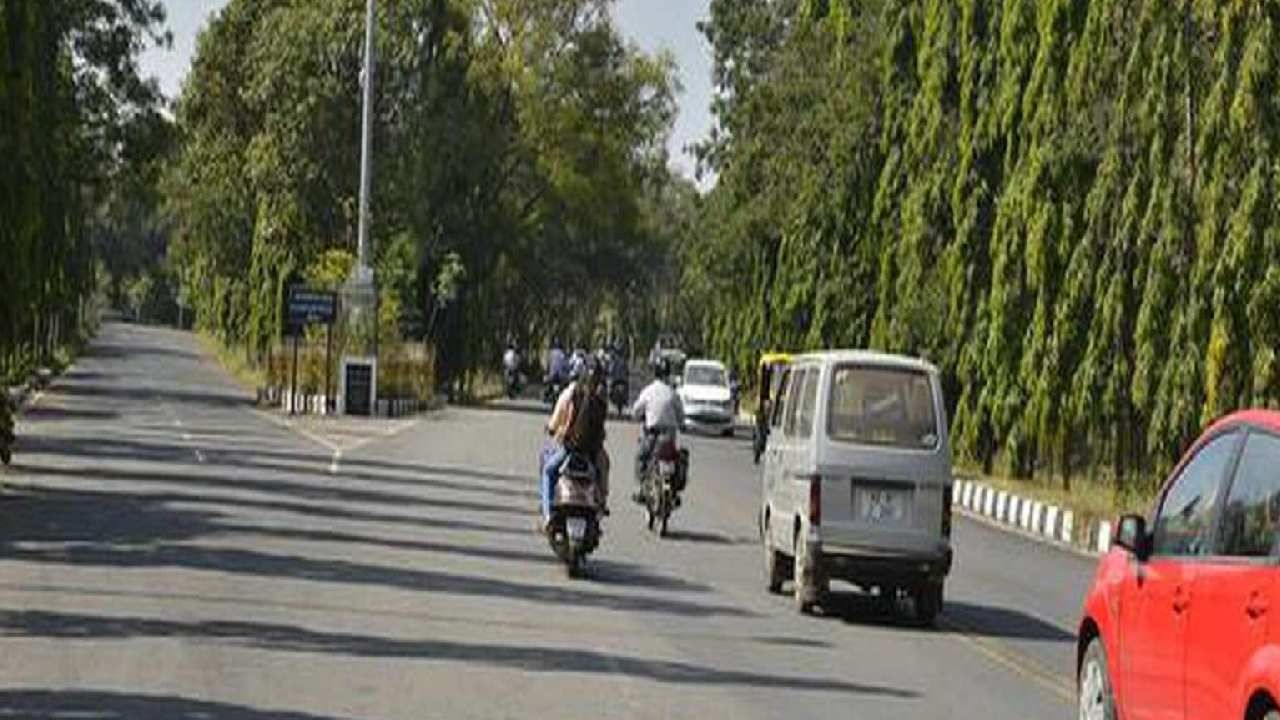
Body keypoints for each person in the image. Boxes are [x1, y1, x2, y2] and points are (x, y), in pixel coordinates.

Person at [540, 363, 611, 529]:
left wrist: (552, 429)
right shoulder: (602, 398)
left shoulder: (573, 393)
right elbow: (601, 426)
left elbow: (557, 420)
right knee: (604, 468)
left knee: (548, 471)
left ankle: (548, 514)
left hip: (571, 447)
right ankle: (601, 505)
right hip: (593, 450)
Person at [630, 359, 684, 502]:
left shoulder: (648, 391)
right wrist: (681, 425)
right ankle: (674, 490)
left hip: (652, 435)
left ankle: (642, 488)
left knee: (641, 457)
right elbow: (681, 415)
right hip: (669, 437)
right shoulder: (673, 393)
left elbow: (636, 411)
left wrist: (639, 416)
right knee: (676, 459)